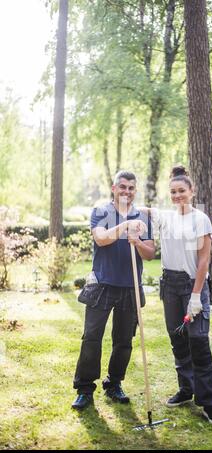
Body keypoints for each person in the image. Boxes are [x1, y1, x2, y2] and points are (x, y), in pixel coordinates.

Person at [72, 170, 155, 410]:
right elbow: (101, 239)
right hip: (102, 284)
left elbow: (150, 253)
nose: (126, 191)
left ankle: (114, 383)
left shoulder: (143, 217)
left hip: (130, 286)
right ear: (113, 187)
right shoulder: (101, 212)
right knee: (91, 338)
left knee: (124, 340)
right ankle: (85, 389)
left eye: (131, 188)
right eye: (122, 187)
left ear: (135, 190)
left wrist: (137, 240)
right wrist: (125, 226)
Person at [151, 165, 212, 425]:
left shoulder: (199, 219)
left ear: (192, 192)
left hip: (193, 285)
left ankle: (209, 403)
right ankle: (186, 389)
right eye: (173, 191)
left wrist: (195, 296)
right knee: (178, 339)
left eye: (182, 190)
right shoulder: (166, 218)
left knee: (199, 340)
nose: (177, 195)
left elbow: (204, 261)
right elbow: (142, 213)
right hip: (169, 286)